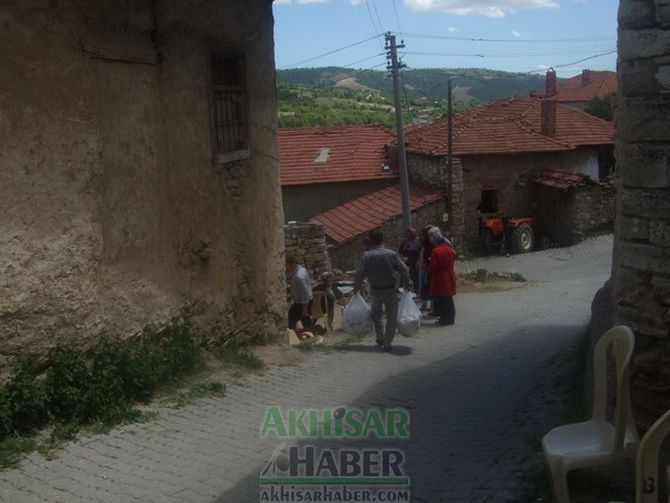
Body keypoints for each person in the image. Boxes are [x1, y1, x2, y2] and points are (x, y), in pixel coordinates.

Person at [354, 229, 410, 352]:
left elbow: (359, 274)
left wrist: (356, 288)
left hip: (375, 290)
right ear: (382, 239)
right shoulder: (391, 254)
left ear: (371, 240)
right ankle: (387, 343)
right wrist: (407, 285)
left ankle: (380, 338)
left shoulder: (367, 256)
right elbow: (405, 270)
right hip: (390, 290)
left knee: (377, 315)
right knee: (391, 316)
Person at [429, 229, 457, 326]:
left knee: (442, 299)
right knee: (449, 299)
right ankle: (451, 318)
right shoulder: (450, 249)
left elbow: (433, 266)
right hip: (449, 274)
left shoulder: (436, 251)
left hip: (440, 277)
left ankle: (444, 319)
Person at [286, 255, 313, 332]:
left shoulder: (299, 276)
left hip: (303, 303)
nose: (286, 267)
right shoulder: (301, 270)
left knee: (295, 319)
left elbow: (305, 293)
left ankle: (310, 335)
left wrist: (304, 308)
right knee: (296, 319)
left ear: (292, 264)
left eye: (287, 265)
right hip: (301, 302)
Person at [418, 225, 437, 312]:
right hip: (422, 269)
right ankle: (425, 304)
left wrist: (428, 266)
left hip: (428, 269)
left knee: (429, 287)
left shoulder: (431, 244)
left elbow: (430, 258)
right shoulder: (424, 244)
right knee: (423, 287)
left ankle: (432, 306)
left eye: (422, 235)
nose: (420, 237)